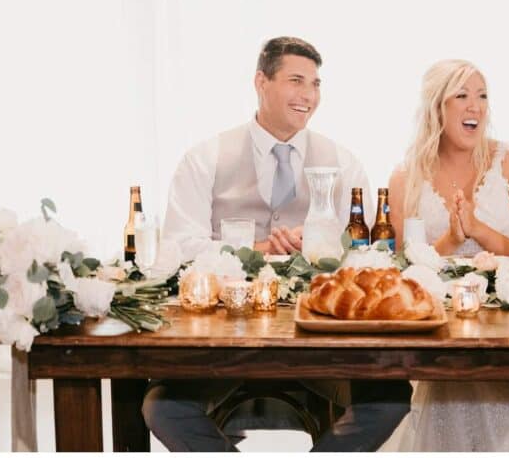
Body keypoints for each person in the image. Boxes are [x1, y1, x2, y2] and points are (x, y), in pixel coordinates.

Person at [144, 36, 411, 452]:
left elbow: (370, 256)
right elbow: (178, 247)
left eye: (316, 84)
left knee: (390, 399)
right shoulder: (205, 158)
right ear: (261, 82)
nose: (309, 95)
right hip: (219, 341)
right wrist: (260, 246)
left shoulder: (344, 163)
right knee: (164, 408)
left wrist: (324, 247)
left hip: (320, 343)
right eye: (296, 80)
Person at [385, 58, 509, 452]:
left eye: (482, 95)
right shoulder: (405, 178)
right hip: (442, 332)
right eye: (462, 96)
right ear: (436, 108)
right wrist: (453, 240)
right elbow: (406, 269)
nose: (476, 106)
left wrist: (480, 232)